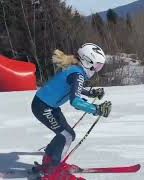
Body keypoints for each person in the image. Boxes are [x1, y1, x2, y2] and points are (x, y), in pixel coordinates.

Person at [31, 43, 112, 177]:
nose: (97, 70)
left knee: (68, 134)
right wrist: (96, 109)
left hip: (47, 106)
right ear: (87, 61)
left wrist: (92, 94)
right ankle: (55, 171)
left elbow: (74, 89)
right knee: (67, 135)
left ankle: (49, 161)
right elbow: (75, 101)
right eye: (97, 66)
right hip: (43, 107)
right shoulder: (78, 74)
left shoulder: (75, 71)